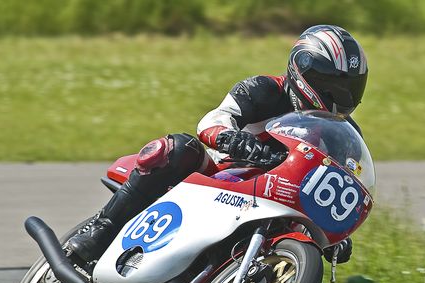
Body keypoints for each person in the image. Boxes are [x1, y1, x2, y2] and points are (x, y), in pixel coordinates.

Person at [69, 25, 367, 267]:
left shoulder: (342, 133)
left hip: (277, 201)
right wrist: (238, 142)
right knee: (178, 148)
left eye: (351, 88)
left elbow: (341, 184)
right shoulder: (264, 90)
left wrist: (335, 233)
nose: (342, 97)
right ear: (304, 71)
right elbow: (212, 121)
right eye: (334, 86)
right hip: (222, 177)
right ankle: (101, 229)